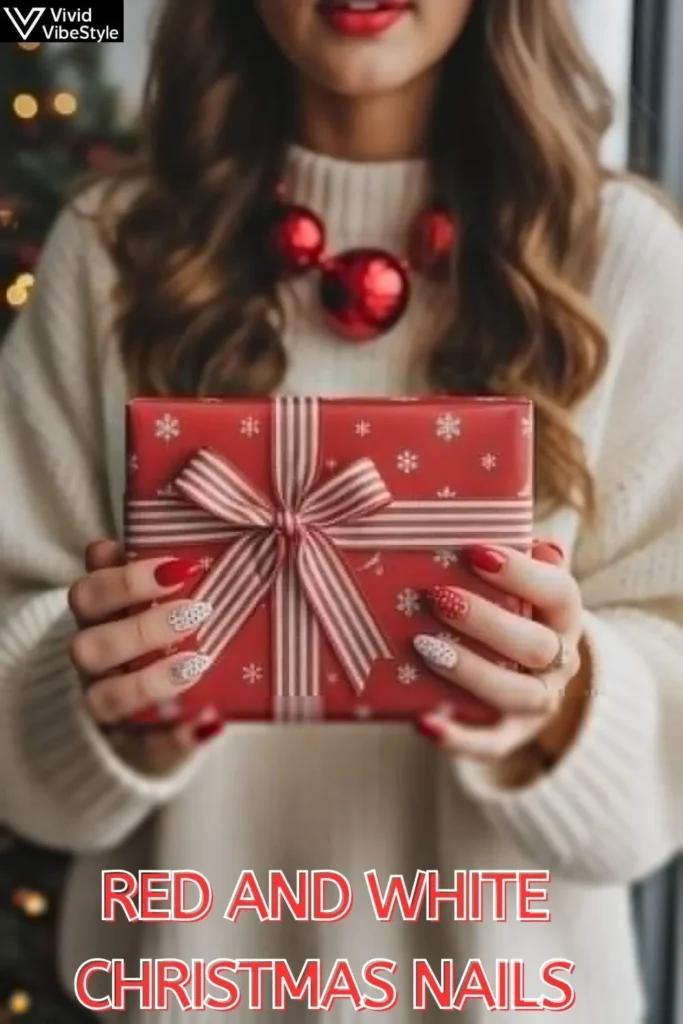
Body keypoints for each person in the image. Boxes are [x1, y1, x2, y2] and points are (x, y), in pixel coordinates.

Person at [1, 0, 682, 1020]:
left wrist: (566, 700)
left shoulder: (620, 261)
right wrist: (96, 692)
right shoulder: (114, 250)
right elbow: (16, 693)